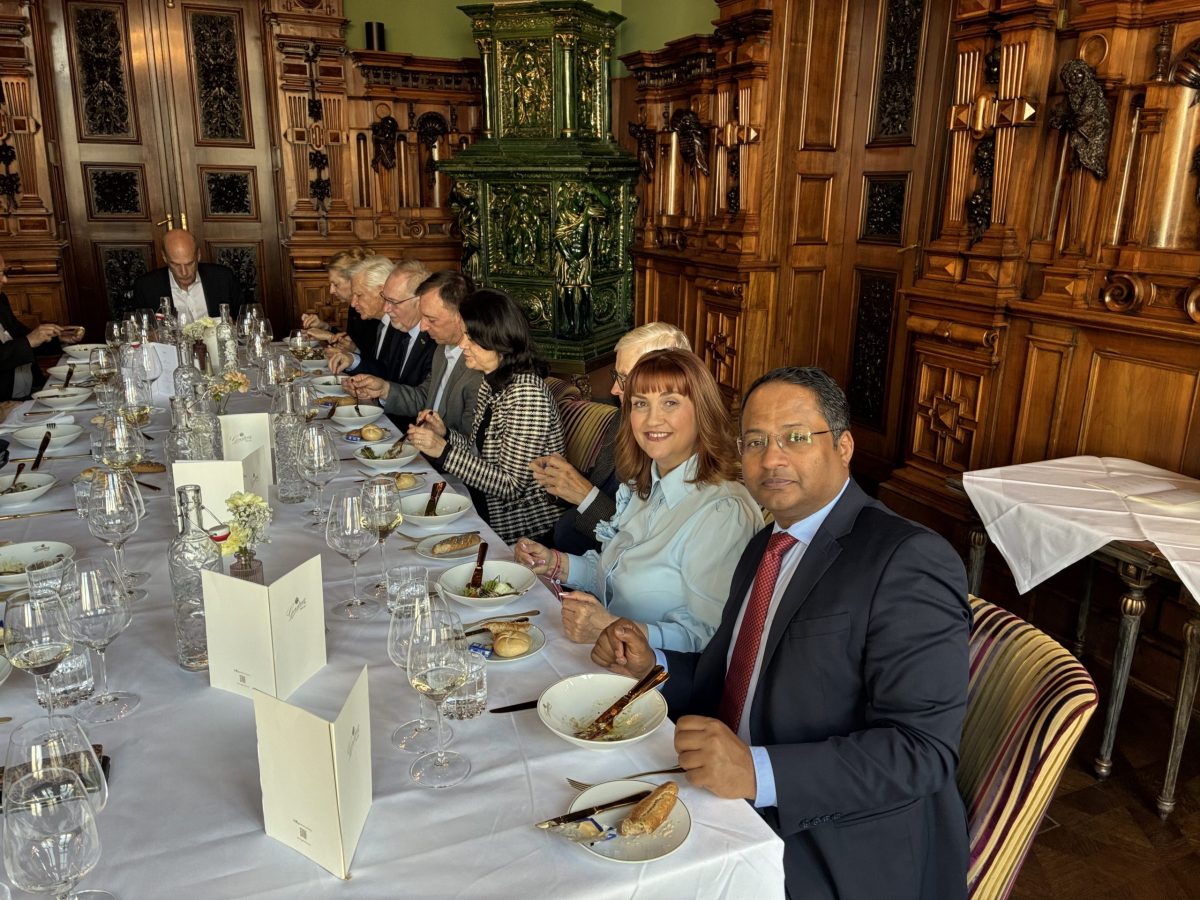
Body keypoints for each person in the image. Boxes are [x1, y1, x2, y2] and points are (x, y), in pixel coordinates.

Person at [591, 367, 971, 900]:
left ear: (843, 447)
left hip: (842, 845)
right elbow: (729, 680)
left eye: (795, 437)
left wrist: (758, 772)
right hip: (730, 800)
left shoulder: (906, 558)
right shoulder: (766, 546)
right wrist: (651, 665)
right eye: (755, 442)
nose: (771, 459)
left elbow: (921, 751)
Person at [516, 349, 762, 651]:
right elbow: (615, 576)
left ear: (702, 411)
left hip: (659, 674)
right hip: (606, 655)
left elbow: (711, 636)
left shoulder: (723, 512)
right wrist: (554, 563)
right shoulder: (643, 486)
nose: (652, 419)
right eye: (640, 404)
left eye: (670, 402)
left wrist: (610, 627)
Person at [403, 288, 564, 545]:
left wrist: (443, 451)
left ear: (497, 340)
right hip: (485, 507)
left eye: (471, 338)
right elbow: (480, 454)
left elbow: (510, 486)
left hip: (523, 530)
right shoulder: (492, 382)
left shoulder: (527, 395)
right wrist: (445, 434)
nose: (462, 344)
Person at [533, 322, 692, 555]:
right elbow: (603, 484)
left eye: (625, 378)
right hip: (567, 546)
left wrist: (585, 495)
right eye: (616, 376)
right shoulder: (623, 417)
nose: (614, 389)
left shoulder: (676, 448)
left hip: (605, 561)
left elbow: (642, 544)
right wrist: (562, 479)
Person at [343, 271, 482, 438]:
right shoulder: (442, 350)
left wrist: (442, 438)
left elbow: (472, 444)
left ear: (460, 318)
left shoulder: (477, 368)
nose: (422, 327)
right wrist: (384, 389)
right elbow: (424, 398)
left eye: (432, 320)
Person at [327, 260, 435, 390]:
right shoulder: (395, 323)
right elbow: (385, 372)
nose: (386, 308)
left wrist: (383, 391)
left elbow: (421, 395)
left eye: (359, 295)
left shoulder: (428, 336)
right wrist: (353, 360)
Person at [0, 253, 84, 400]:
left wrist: (57, 338)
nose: (5, 280)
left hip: (32, 390)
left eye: (4, 272)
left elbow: (22, 337)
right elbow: (26, 342)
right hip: (5, 402)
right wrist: (29, 341)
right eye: (0, 274)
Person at [130, 229, 243, 323]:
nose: (184, 272)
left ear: (198, 255)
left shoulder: (223, 277)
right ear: (164, 258)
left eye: (189, 263)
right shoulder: (146, 287)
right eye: (175, 265)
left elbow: (243, 319)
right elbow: (141, 330)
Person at [322, 256, 395, 374]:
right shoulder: (383, 322)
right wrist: (352, 358)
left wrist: (353, 356)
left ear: (382, 291)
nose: (353, 303)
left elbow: (392, 377)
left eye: (359, 295)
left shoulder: (399, 324)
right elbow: (379, 368)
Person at [302, 247, 373, 351]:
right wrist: (324, 327)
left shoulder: (372, 310)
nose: (331, 291)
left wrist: (329, 336)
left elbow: (371, 356)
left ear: (354, 281)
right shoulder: (353, 306)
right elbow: (350, 341)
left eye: (336, 284)